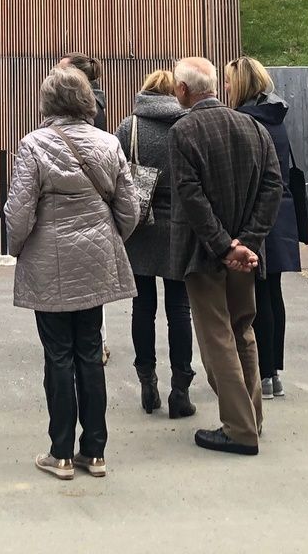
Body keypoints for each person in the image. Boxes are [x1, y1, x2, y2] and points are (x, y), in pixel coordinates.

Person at [5, 65, 137, 480]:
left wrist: (17, 249)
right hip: (95, 257)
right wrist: (111, 237)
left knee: (58, 355)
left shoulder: (33, 144)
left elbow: (19, 213)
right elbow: (130, 208)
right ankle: (95, 452)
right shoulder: (108, 142)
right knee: (90, 351)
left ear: (47, 101)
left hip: (49, 260)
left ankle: (60, 452)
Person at [169, 56, 281, 457]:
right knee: (243, 330)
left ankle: (238, 428)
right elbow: (273, 186)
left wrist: (224, 245)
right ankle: (252, 417)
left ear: (183, 90)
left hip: (205, 254)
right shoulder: (254, 127)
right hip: (245, 256)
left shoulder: (184, 131)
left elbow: (191, 197)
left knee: (217, 336)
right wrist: (247, 242)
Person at [112, 69, 195, 418]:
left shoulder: (129, 126)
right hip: (181, 224)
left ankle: (147, 381)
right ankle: (180, 389)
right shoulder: (188, 124)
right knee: (180, 309)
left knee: (142, 308)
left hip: (140, 225)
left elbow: (115, 173)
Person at [227, 57, 302, 400]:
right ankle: (274, 373)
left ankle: (262, 371)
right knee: (273, 292)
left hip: (257, 216)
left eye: (229, 81)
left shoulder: (246, 121)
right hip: (281, 214)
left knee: (256, 297)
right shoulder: (276, 118)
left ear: (242, 84)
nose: (226, 87)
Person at [59, 52, 108, 130]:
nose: (56, 74)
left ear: (77, 74)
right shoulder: (91, 99)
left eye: (63, 70)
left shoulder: (84, 104)